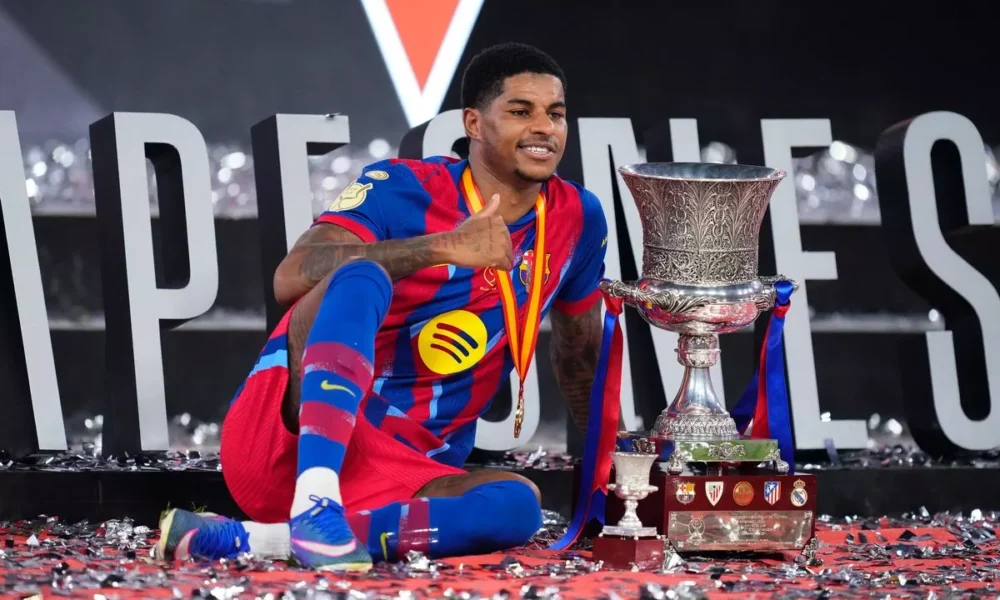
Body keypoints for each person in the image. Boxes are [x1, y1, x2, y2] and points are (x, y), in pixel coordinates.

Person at [156, 42, 610, 572]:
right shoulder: (402, 186)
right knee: (359, 277)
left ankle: (265, 540)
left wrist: (614, 472)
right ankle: (316, 497)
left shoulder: (577, 217)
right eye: (520, 111)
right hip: (289, 441)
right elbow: (291, 276)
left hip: (406, 472)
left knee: (517, 506)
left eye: (555, 114)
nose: (544, 128)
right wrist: (442, 247)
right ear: (474, 123)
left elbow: (579, 356)